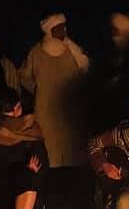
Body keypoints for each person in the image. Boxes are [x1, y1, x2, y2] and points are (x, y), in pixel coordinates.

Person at [18, 13, 90, 169]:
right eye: (59, 27)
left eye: (64, 26)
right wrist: (38, 90)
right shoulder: (36, 52)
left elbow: (85, 66)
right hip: (46, 109)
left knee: (69, 145)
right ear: (50, 29)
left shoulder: (72, 49)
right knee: (49, 146)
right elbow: (24, 76)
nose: (64, 30)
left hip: (68, 108)